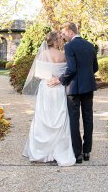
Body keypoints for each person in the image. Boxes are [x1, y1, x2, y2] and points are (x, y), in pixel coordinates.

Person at [22, 31, 75, 166]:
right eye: (60, 39)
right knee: (59, 116)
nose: (62, 40)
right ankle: (59, 150)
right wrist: (57, 78)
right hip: (57, 89)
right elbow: (67, 72)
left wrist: (48, 76)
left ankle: (41, 151)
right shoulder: (63, 55)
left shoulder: (42, 55)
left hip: (46, 88)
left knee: (43, 116)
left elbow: (38, 75)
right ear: (56, 41)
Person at [48, 22, 99, 164]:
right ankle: (87, 151)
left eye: (64, 34)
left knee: (74, 120)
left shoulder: (69, 46)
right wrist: (86, 77)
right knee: (88, 118)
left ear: (71, 32)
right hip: (88, 87)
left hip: (73, 89)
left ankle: (77, 154)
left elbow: (71, 69)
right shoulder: (90, 45)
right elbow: (95, 67)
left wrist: (60, 80)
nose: (63, 37)